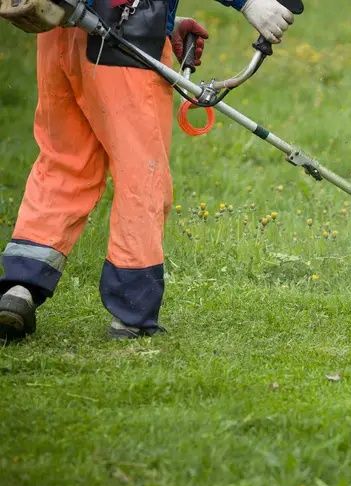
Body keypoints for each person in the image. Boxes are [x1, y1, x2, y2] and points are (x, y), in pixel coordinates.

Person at [0, 0, 296, 341]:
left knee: (64, 164)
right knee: (142, 177)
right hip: (118, 43)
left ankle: (20, 287)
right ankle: (132, 315)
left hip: (59, 28)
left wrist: (165, 21)